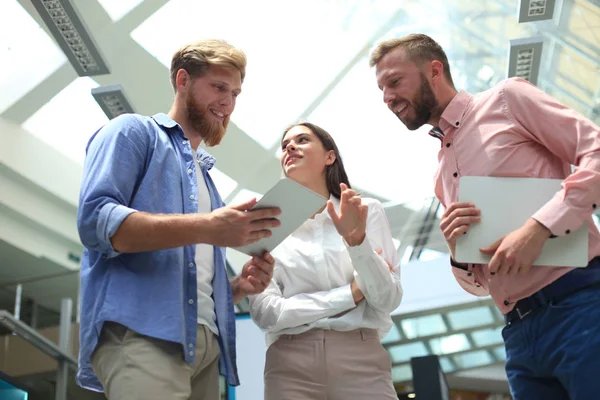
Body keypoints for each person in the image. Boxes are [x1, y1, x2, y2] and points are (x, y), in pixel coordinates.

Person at [370, 33, 600, 400]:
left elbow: (596, 151)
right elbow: (479, 285)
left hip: (580, 306)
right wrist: (459, 254)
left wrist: (539, 229)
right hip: (519, 337)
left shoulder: (508, 100)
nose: (387, 97)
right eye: (381, 89)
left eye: (395, 82)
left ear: (434, 70)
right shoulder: (441, 174)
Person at [76, 39, 281, 400]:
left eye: (235, 93)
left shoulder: (207, 182)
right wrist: (210, 227)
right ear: (183, 80)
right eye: (218, 87)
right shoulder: (132, 132)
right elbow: (96, 221)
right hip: (144, 334)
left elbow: (190, 278)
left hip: (204, 346)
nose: (228, 103)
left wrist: (237, 288)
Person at [249, 122, 403, 400]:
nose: (290, 148)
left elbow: (388, 299)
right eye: (285, 146)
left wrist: (357, 243)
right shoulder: (266, 225)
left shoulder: (367, 211)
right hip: (289, 367)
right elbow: (267, 314)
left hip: (362, 363)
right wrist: (351, 293)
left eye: (302, 140)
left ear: (329, 156)